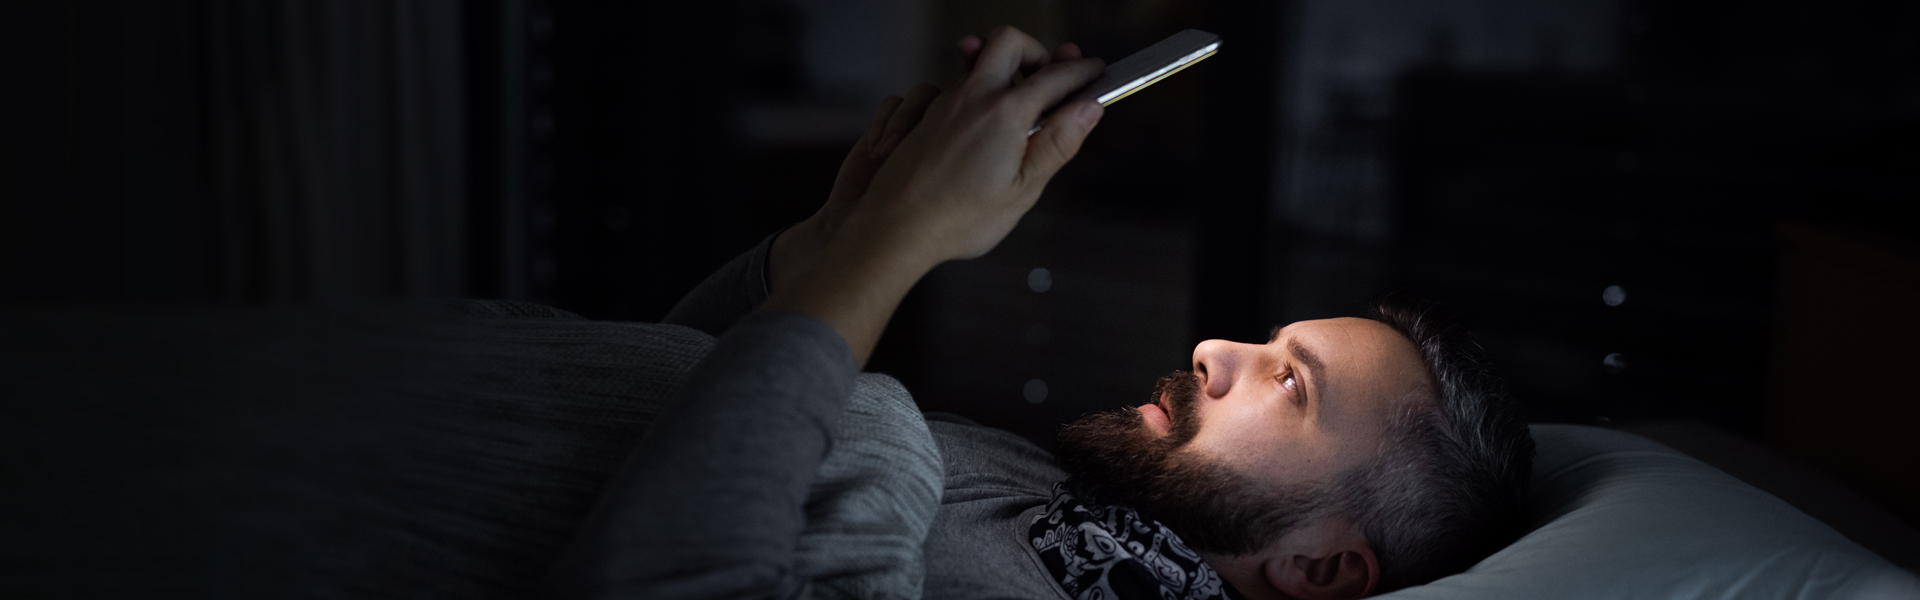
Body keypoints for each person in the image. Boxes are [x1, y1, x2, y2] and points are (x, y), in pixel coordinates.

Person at [548, 26, 1533, 600]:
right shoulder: (1072, 515)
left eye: (1288, 383)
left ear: (1319, 568)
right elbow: (670, 388)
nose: (1210, 350)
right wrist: (834, 243)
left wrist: (897, 247)